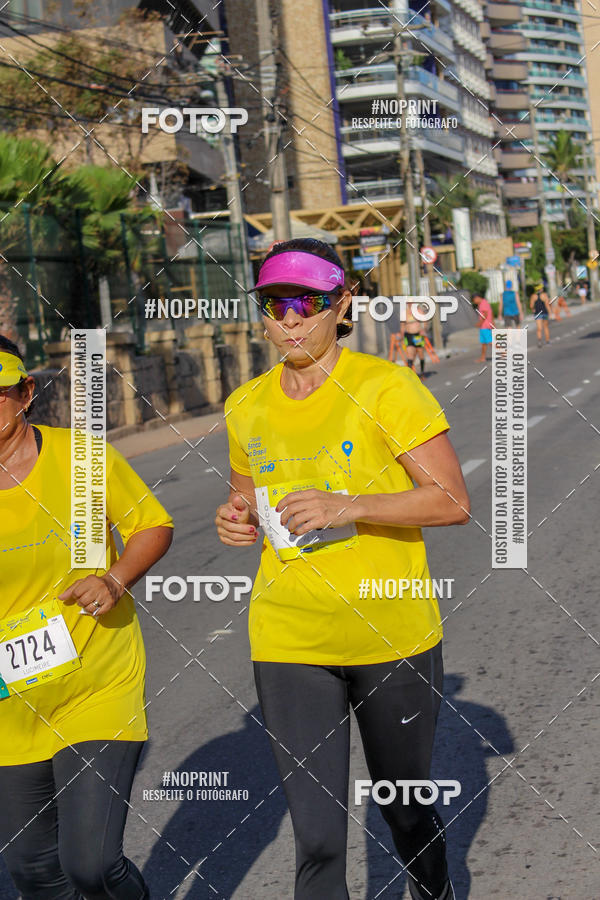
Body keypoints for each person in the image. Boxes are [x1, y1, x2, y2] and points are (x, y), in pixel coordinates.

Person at [216, 238, 470, 900]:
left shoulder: (388, 386)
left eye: (308, 302)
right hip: (289, 636)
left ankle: (433, 886)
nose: (291, 319)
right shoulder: (245, 405)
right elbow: (247, 499)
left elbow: (450, 501)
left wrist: (348, 505)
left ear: (342, 304)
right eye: (275, 304)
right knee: (319, 838)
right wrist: (235, 519)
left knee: (406, 810)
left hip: (391, 633)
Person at [0, 335, 174, 899]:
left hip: (95, 686)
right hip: (9, 702)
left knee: (91, 865)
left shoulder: (82, 460)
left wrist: (114, 577)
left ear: (24, 393)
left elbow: (151, 524)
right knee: (33, 872)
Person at [400, 300, 428, 376]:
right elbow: (402, 326)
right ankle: (410, 375)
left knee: (420, 354)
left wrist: (424, 329)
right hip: (408, 335)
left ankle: (422, 373)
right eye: (408, 303)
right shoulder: (404, 313)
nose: (410, 304)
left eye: (411, 303)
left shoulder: (418, 311)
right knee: (410, 355)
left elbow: (425, 321)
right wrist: (402, 338)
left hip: (418, 335)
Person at [472, 293, 495, 362]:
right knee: (484, 343)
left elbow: (485, 314)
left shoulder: (483, 303)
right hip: (484, 326)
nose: (474, 302)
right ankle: (483, 357)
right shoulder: (483, 303)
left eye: (474, 300)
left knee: (490, 342)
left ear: (477, 298)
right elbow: (491, 312)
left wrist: (480, 323)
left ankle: (504, 353)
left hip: (485, 325)